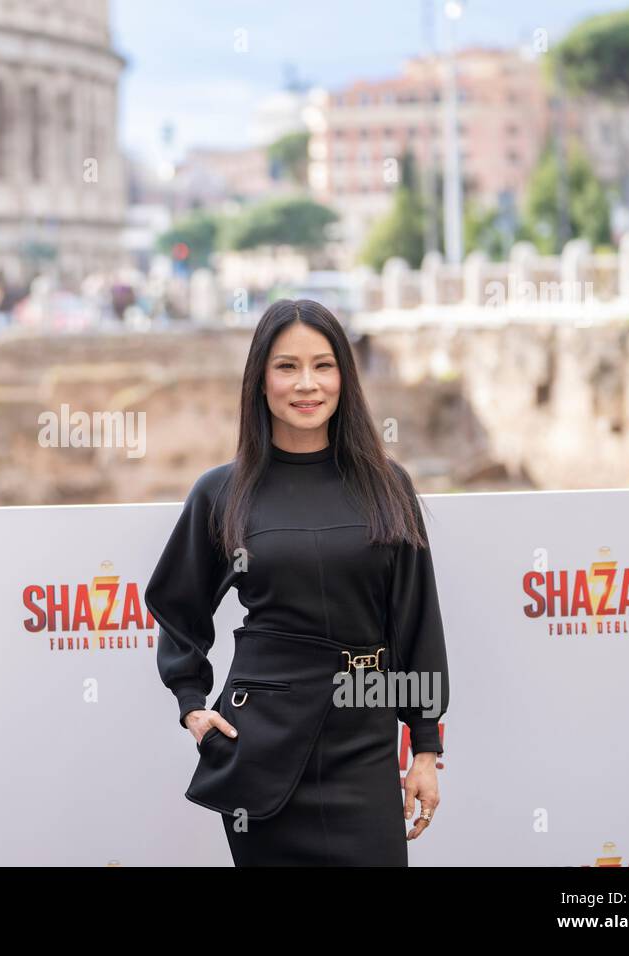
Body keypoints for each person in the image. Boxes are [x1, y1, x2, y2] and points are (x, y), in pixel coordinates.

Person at [144, 298, 450, 866]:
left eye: (323, 365)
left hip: (365, 733)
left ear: (345, 377)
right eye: (286, 366)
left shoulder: (388, 486)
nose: (306, 384)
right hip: (262, 747)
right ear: (259, 380)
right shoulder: (221, 492)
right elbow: (177, 608)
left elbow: (416, 621)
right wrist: (192, 705)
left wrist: (426, 747)